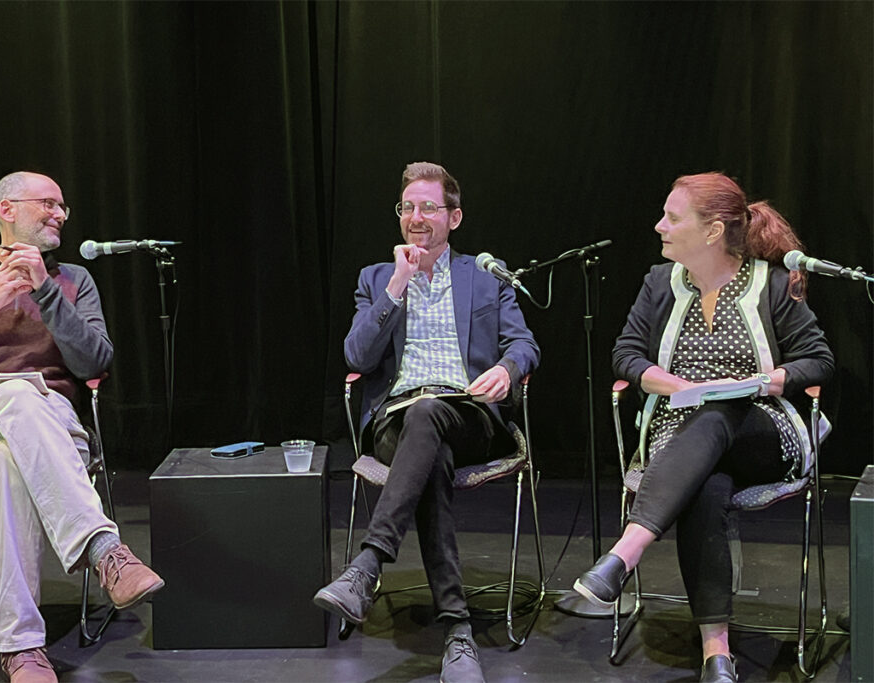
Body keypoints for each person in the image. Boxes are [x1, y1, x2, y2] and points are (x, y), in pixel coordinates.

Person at [572, 172, 834, 683]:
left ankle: (624, 552)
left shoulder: (771, 283)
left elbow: (818, 359)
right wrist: (663, 382)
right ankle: (717, 651)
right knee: (707, 487)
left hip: (762, 432)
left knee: (718, 409)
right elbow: (625, 353)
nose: (659, 226)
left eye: (673, 218)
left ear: (712, 231)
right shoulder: (658, 282)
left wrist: (770, 380)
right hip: (681, 437)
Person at [0, 171, 164, 683]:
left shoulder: (73, 281)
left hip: (45, 423)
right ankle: (103, 549)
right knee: (17, 394)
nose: (60, 215)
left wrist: (46, 293)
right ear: (8, 210)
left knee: (10, 459)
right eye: (48, 204)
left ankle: (22, 649)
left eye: (63, 207)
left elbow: (94, 364)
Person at [313, 162, 540, 683]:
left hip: (470, 416)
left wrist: (507, 370)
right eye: (407, 207)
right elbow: (357, 355)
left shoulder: (485, 276)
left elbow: (524, 343)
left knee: (432, 414)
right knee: (424, 436)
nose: (416, 218)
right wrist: (397, 284)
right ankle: (458, 633)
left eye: (428, 208)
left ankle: (368, 565)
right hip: (398, 421)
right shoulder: (376, 278)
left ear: (454, 218)